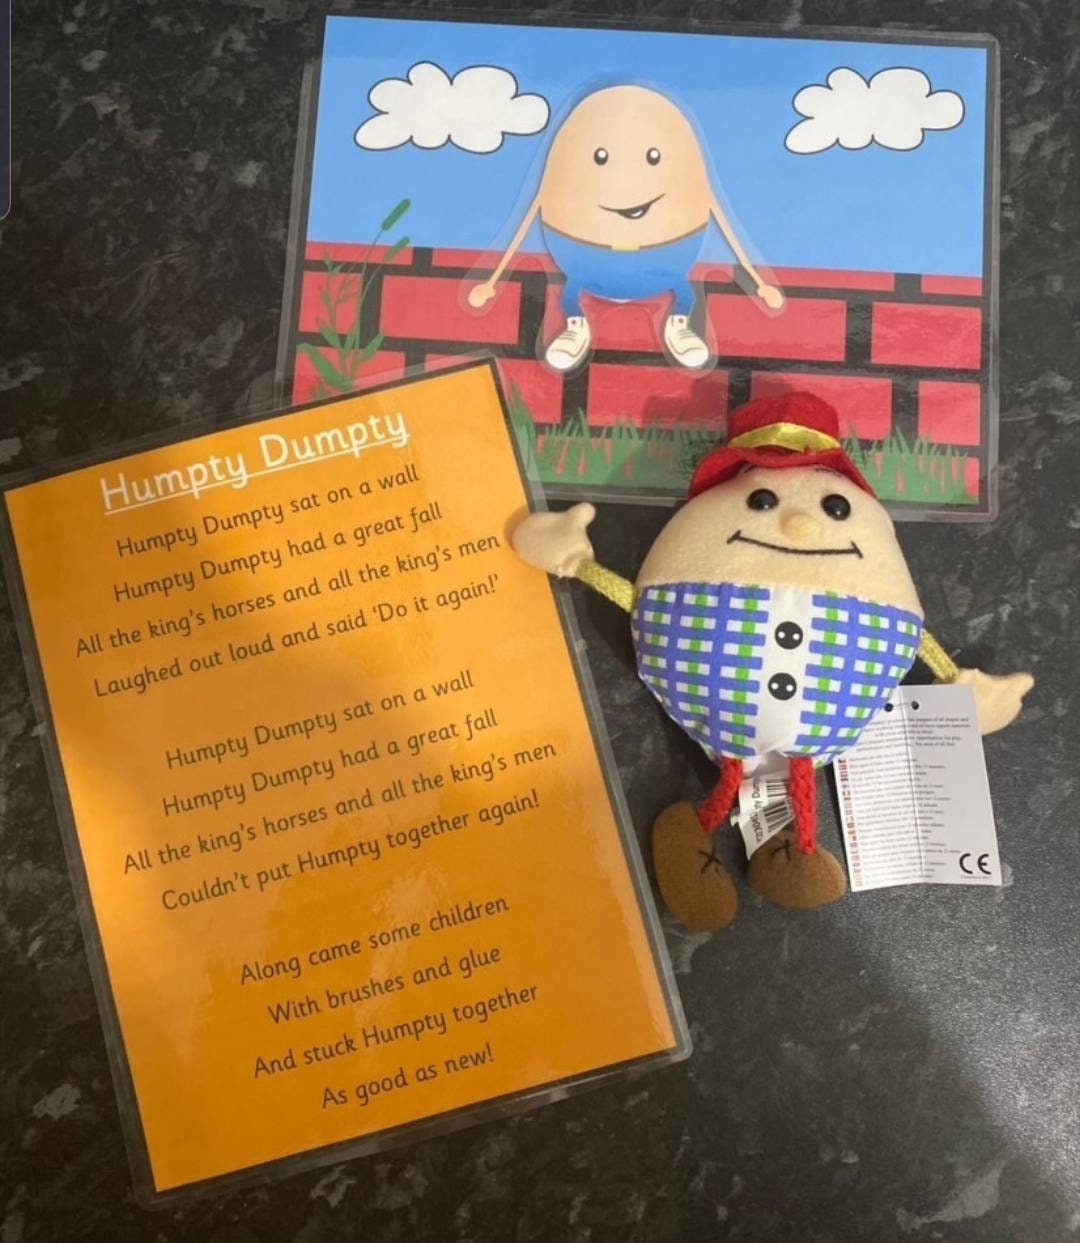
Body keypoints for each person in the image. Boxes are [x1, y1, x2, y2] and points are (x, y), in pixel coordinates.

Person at [468, 85, 784, 373]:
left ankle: (678, 322)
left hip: (667, 256)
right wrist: (491, 282)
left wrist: (760, 284)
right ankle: (576, 325)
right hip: (585, 258)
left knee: (682, 292)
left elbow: (712, 207)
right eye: (601, 158)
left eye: (652, 157)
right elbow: (538, 205)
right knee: (573, 294)